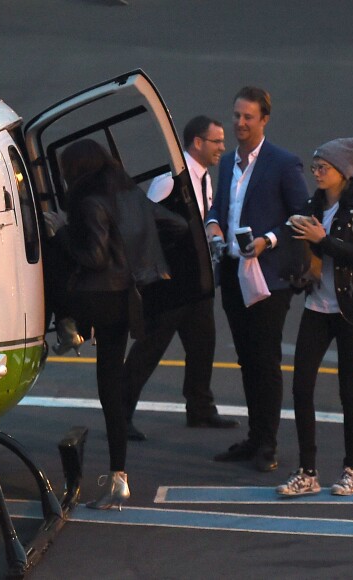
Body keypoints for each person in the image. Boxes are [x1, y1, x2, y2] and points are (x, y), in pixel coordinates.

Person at [52, 139, 188, 509]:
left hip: (93, 301)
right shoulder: (130, 196)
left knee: (52, 251)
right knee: (110, 389)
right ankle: (118, 478)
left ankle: (65, 323)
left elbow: (92, 256)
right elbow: (176, 225)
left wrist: (62, 232)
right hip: (125, 301)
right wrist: (140, 256)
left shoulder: (88, 202)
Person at [206, 86, 309, 472]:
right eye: (236, 116)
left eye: (248, 117)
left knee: (265, 360)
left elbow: (301, 214)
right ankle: (254, 436)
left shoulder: (283, 163)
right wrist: (213, 226)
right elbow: (218, 206)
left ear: (264, 119)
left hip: (267, 278)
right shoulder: (229, 160)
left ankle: (268, 443)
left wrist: (268, 239)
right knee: (247, 359)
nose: (240, 123)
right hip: (233, 272)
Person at [275, 138, 353, 497]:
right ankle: (308, 471)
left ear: (343, 173)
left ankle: (351, 468)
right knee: (301, 387)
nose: (317, 173)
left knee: (349, 390)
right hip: (317, 307)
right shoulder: (311, 206)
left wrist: (324, 240)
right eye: (315, 167)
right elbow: (299, 251)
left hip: (352, 309)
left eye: (324, 168)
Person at [124, 115, 239, 440]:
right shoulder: (171, 178)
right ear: (197, 142)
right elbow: (145, 223)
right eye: (216, 141)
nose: (222, 147)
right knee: (148, 351)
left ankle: (200, 409)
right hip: (171, 288)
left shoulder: (203, 178)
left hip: (197, 285)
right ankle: (120, 414)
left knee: (203, 346)